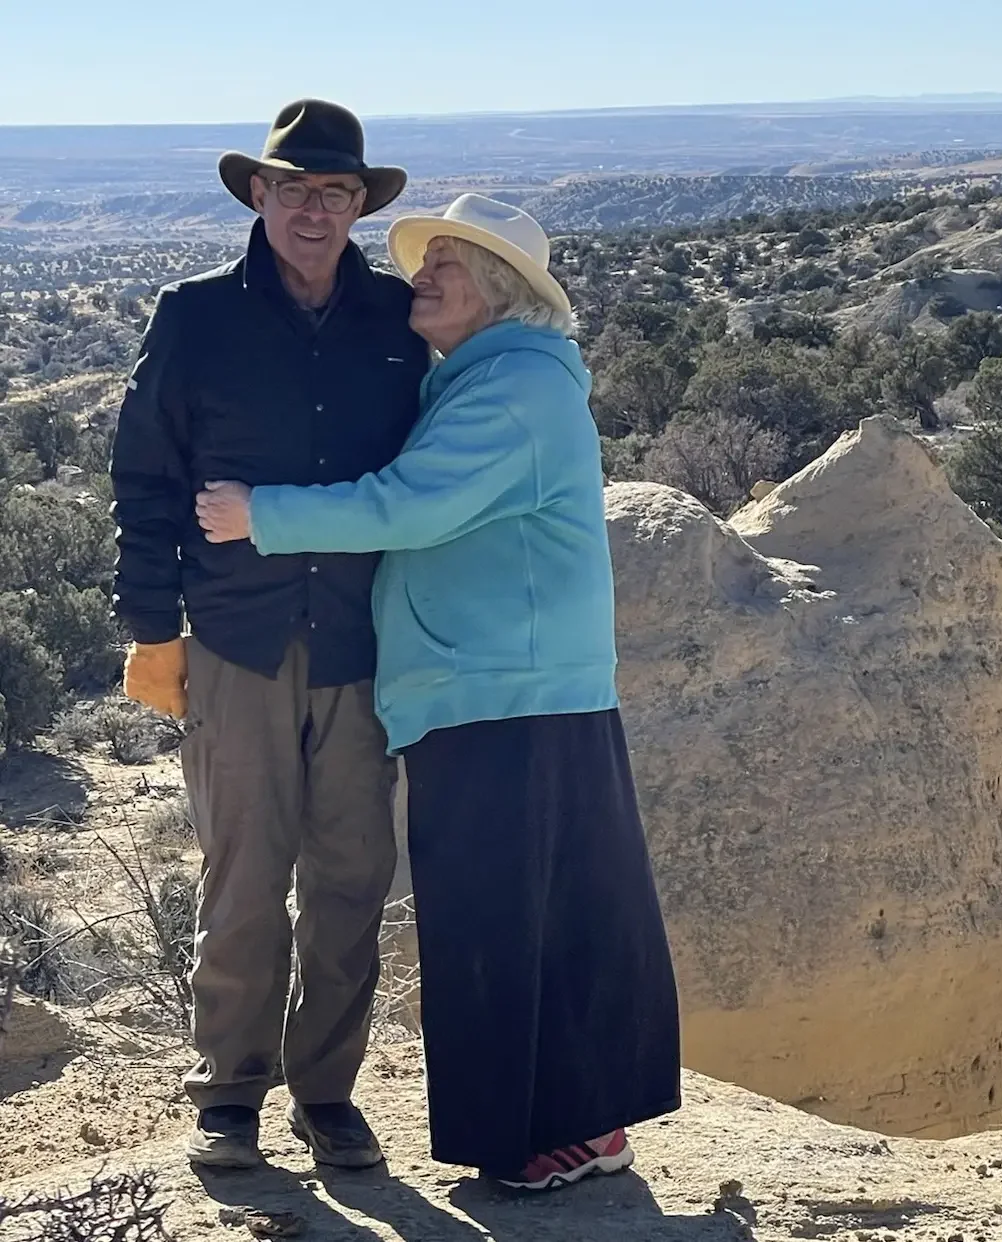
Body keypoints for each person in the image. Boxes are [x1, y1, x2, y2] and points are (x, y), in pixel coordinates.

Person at [195, 193, 682, 1191]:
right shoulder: (483, 379)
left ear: (500, 292)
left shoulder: (511, 392)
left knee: (502, 920)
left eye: (449, 263)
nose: (424, 275)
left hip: (507, 687)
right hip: (500, 682)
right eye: (426, 260)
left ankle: (549, 1137)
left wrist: (262, 516)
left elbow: (413, 507)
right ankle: (577, 1128)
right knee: (538, 913)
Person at [110, 99, 429, 1170]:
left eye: (335, 193)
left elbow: (430, 477)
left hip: (361, 640)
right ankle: (230, 1090)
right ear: (259, 194)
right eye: (294, 188)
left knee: (351, 875)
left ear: (357, 206)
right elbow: (144, 477)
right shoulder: (195, 316)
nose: (313, 209)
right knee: (243, 879)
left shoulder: (396, 320)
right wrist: (155, 630)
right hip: (236, 643)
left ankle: (326, 1093)